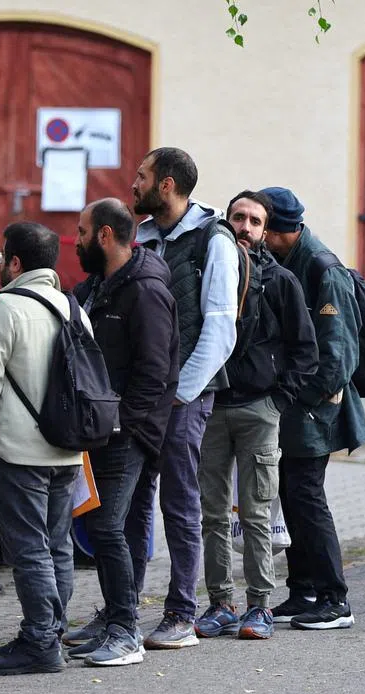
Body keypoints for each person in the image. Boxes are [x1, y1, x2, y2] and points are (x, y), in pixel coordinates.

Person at [119, 147, 239, 650]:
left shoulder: (214, 240)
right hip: (141, 398)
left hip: (184, 398)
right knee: (130, 504)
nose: (134, 184)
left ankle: (180, 614)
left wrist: (180, 393)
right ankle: (121, 611)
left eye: (142, 176)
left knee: (181, 503)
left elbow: (219, 328)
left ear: (166, 185)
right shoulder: (142, 238)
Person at [194, 190, 318, 641]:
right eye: (238, 218)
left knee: (256, 514)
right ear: (226, 223)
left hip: (259, 410)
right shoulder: (206, 274)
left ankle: (260, 607)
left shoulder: (282, 281)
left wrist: (277, 402)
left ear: (266, 230)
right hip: (211, 409)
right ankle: (220, 602)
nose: (244, 227)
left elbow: (307, 351)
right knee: (210, 514)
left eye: (254, 220)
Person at [64, 199, 179, 666]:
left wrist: (125, 425)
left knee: (107, 526)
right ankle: (115, 617)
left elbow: (155, 371)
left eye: (82, 231)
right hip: (101, 428)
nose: (76, 240)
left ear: (105, 236)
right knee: (108, 527)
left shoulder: (145, 291)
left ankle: (126, 630)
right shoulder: (98, 286)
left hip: (126, 432)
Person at [0, 222, 85, 676]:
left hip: (18, 451)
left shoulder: (4, 307)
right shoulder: (72, 307)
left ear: (15, 262)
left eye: (1, 258)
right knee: (57, 544)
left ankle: (40, 640)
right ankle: (48, 632)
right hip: (67, 449)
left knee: (29, 549)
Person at [259, 186, 365, 630]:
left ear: (283, 231)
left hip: (313, 409)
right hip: (293, 406)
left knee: (307, 497)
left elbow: (337, 356)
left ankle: (334, 597)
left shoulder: (323, 268)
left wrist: (296, 400)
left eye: (264, 228)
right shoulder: (284, 261)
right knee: (292, 495)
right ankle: (303, 589)